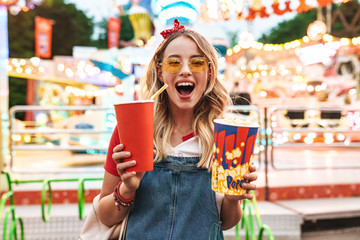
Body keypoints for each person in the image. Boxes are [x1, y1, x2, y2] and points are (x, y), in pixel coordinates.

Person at [98, 19, 257, 239]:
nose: (185, 71)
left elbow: (226, 222)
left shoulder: (223, 135)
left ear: (209, 72)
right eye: (174, 63)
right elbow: (105, 217)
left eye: (197, 63)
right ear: (160, 72)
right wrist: (127, 190)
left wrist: (233, 197)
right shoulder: (130, 130)